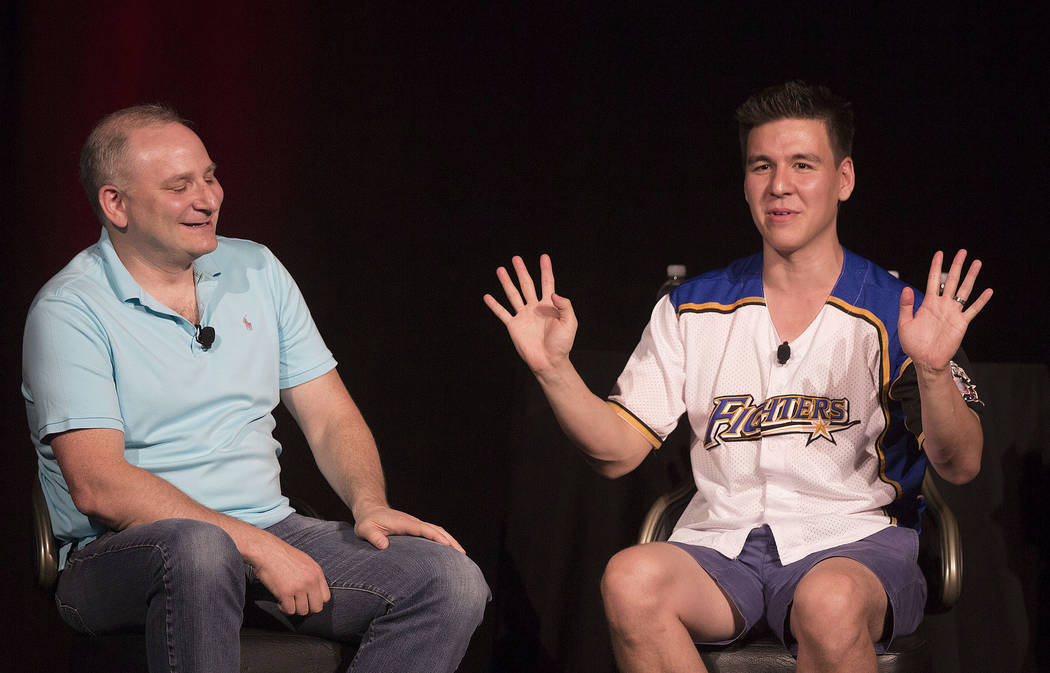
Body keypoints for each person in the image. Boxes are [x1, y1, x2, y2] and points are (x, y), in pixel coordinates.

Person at [484, 81, 991, 673]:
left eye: (803, 164)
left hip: (854, 545)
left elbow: (962, 463)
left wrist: (931, 370)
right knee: (630, 580)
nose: (780, 186)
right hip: (721, 547)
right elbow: (617, 451)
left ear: (844, 179)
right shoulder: (693, 306)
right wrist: (554, 371)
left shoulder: (895, 308)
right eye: (762, 166)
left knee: (828, 602)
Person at [23, 104, 489, 673]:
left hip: (267, 525)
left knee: (447, 580)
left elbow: (328, 414)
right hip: (124, 554)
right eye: (179, 186)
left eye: (210, 176)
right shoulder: (69, 310)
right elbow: (99, 486)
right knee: (198, 550)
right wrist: (258, 547)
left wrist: (370, 505)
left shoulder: (258, 269)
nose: (208, 199)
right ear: (115, 203)